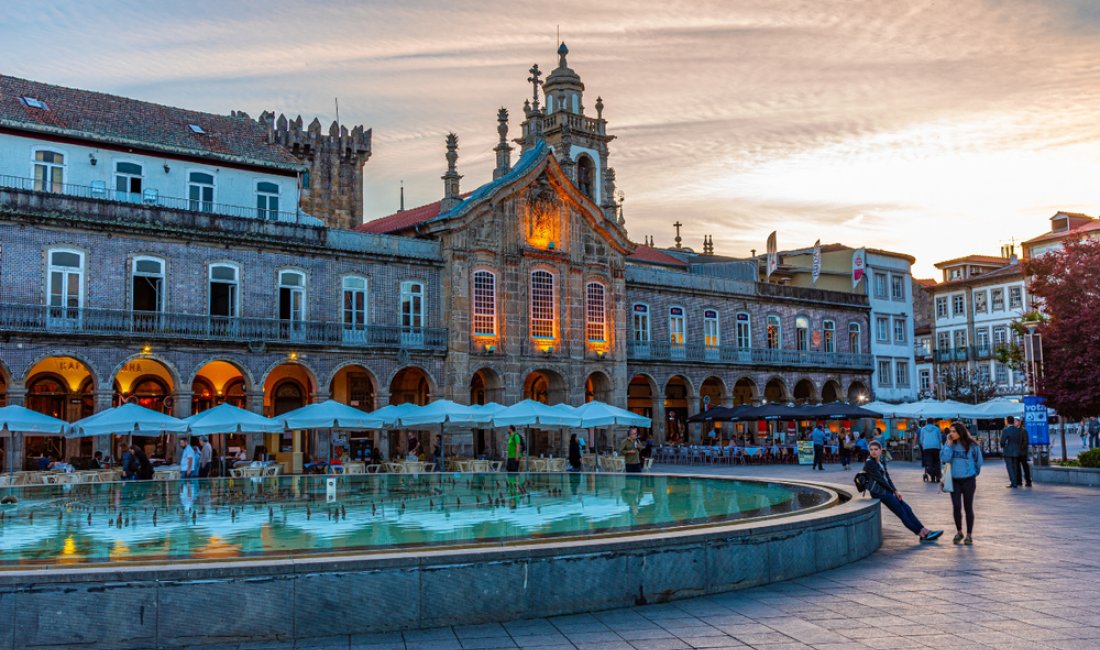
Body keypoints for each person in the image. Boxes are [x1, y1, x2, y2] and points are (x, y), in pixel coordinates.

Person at [862, 440, 942, 542]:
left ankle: (925, 530)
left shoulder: (880, 461)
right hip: (879, 492)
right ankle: (921, 533)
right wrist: (892, 491)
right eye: (871, 449)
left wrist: (895, 491)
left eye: (876, 449)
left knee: (907, 509)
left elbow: (887, 478)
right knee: (901, 512)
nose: (873, 452)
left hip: (886, 490)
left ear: (881, 450)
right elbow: (880, 480)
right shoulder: (870, 463)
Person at [941, 421, 983, 545]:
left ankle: (969, 534)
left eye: (954, 431)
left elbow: (979, 461)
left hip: (968, 479)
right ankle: (959, 532)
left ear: (960, 432)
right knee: (956, 506)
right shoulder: (949, 444)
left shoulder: (971, 445)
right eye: (950, 431)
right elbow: (944, 459)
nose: (951, 434)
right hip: (954, 480)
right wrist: (948, 445)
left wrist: (974, 472)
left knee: (968, 507)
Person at [1000, 417, 1025, 488]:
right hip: (1016, 451)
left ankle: (1013, 482)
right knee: (1015, 467)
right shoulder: (1018, 430)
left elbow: (1002, 441)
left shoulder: (1006, 430)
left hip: (1008, 451)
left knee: (1010, 467)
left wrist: (1003, 446)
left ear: (1007, 421)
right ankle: (1016, 482)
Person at [918, 419, 944, 483]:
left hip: (927, 448)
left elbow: (921, 439)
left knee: (929, 462)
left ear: (926, 422)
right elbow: (940, 439)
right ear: (933, 422)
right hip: (936, 447)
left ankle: (932, 477)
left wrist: (924, 445)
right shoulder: (937, 429)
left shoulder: (923, 429)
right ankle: (938, 476)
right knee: (937, 462)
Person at [1011, 417, 1032, 488]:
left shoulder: (1023, 431)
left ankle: (1028, 482)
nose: (1014, 423)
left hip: (1022, 453)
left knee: (1025, 467)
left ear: (1019, 422)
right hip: (1015, 453)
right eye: (1014, 422)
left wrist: (1020, 449)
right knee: (1017, 468)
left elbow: (1026, 442)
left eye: (1016, 421)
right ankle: (1019, 481)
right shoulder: (1013, 430)